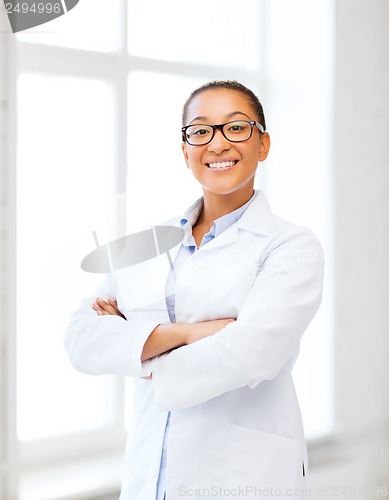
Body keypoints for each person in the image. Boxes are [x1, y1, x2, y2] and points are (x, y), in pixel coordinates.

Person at [64, 80, 324, 500]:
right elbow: (80, 338)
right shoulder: (144, 244)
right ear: (185, 151)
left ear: (263, 144)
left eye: (236, 127)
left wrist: (135, 348)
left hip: (242, 479)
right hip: (151, 475)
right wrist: (181, 336)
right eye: (201, 131)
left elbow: (249, 354)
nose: (217, 144)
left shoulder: (290, 246)